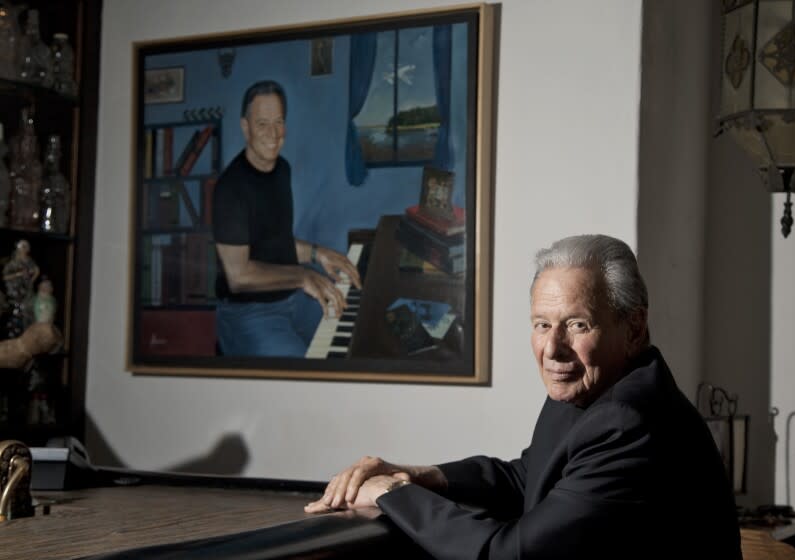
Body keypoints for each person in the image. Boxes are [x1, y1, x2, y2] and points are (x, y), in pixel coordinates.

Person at [305, 234, 743, 559]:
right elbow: (527, 477)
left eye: (577, 324)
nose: (552, 349)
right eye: (541, 324)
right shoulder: (590, 385)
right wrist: (415, 474)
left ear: (633, 328)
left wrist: (393, 493)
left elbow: (509, 554)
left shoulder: (631, 421)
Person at [212, 80, 360, 357]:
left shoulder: (282, 170)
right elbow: (238, 276)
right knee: (304, 383)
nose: (273, 133)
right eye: (262, 124)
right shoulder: (230, 189)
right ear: (245, 127)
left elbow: (275, 244)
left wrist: (318, 254)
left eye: (279, 122)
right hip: (247, 315)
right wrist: (302, 276)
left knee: (351, 331)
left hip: (289, 299)